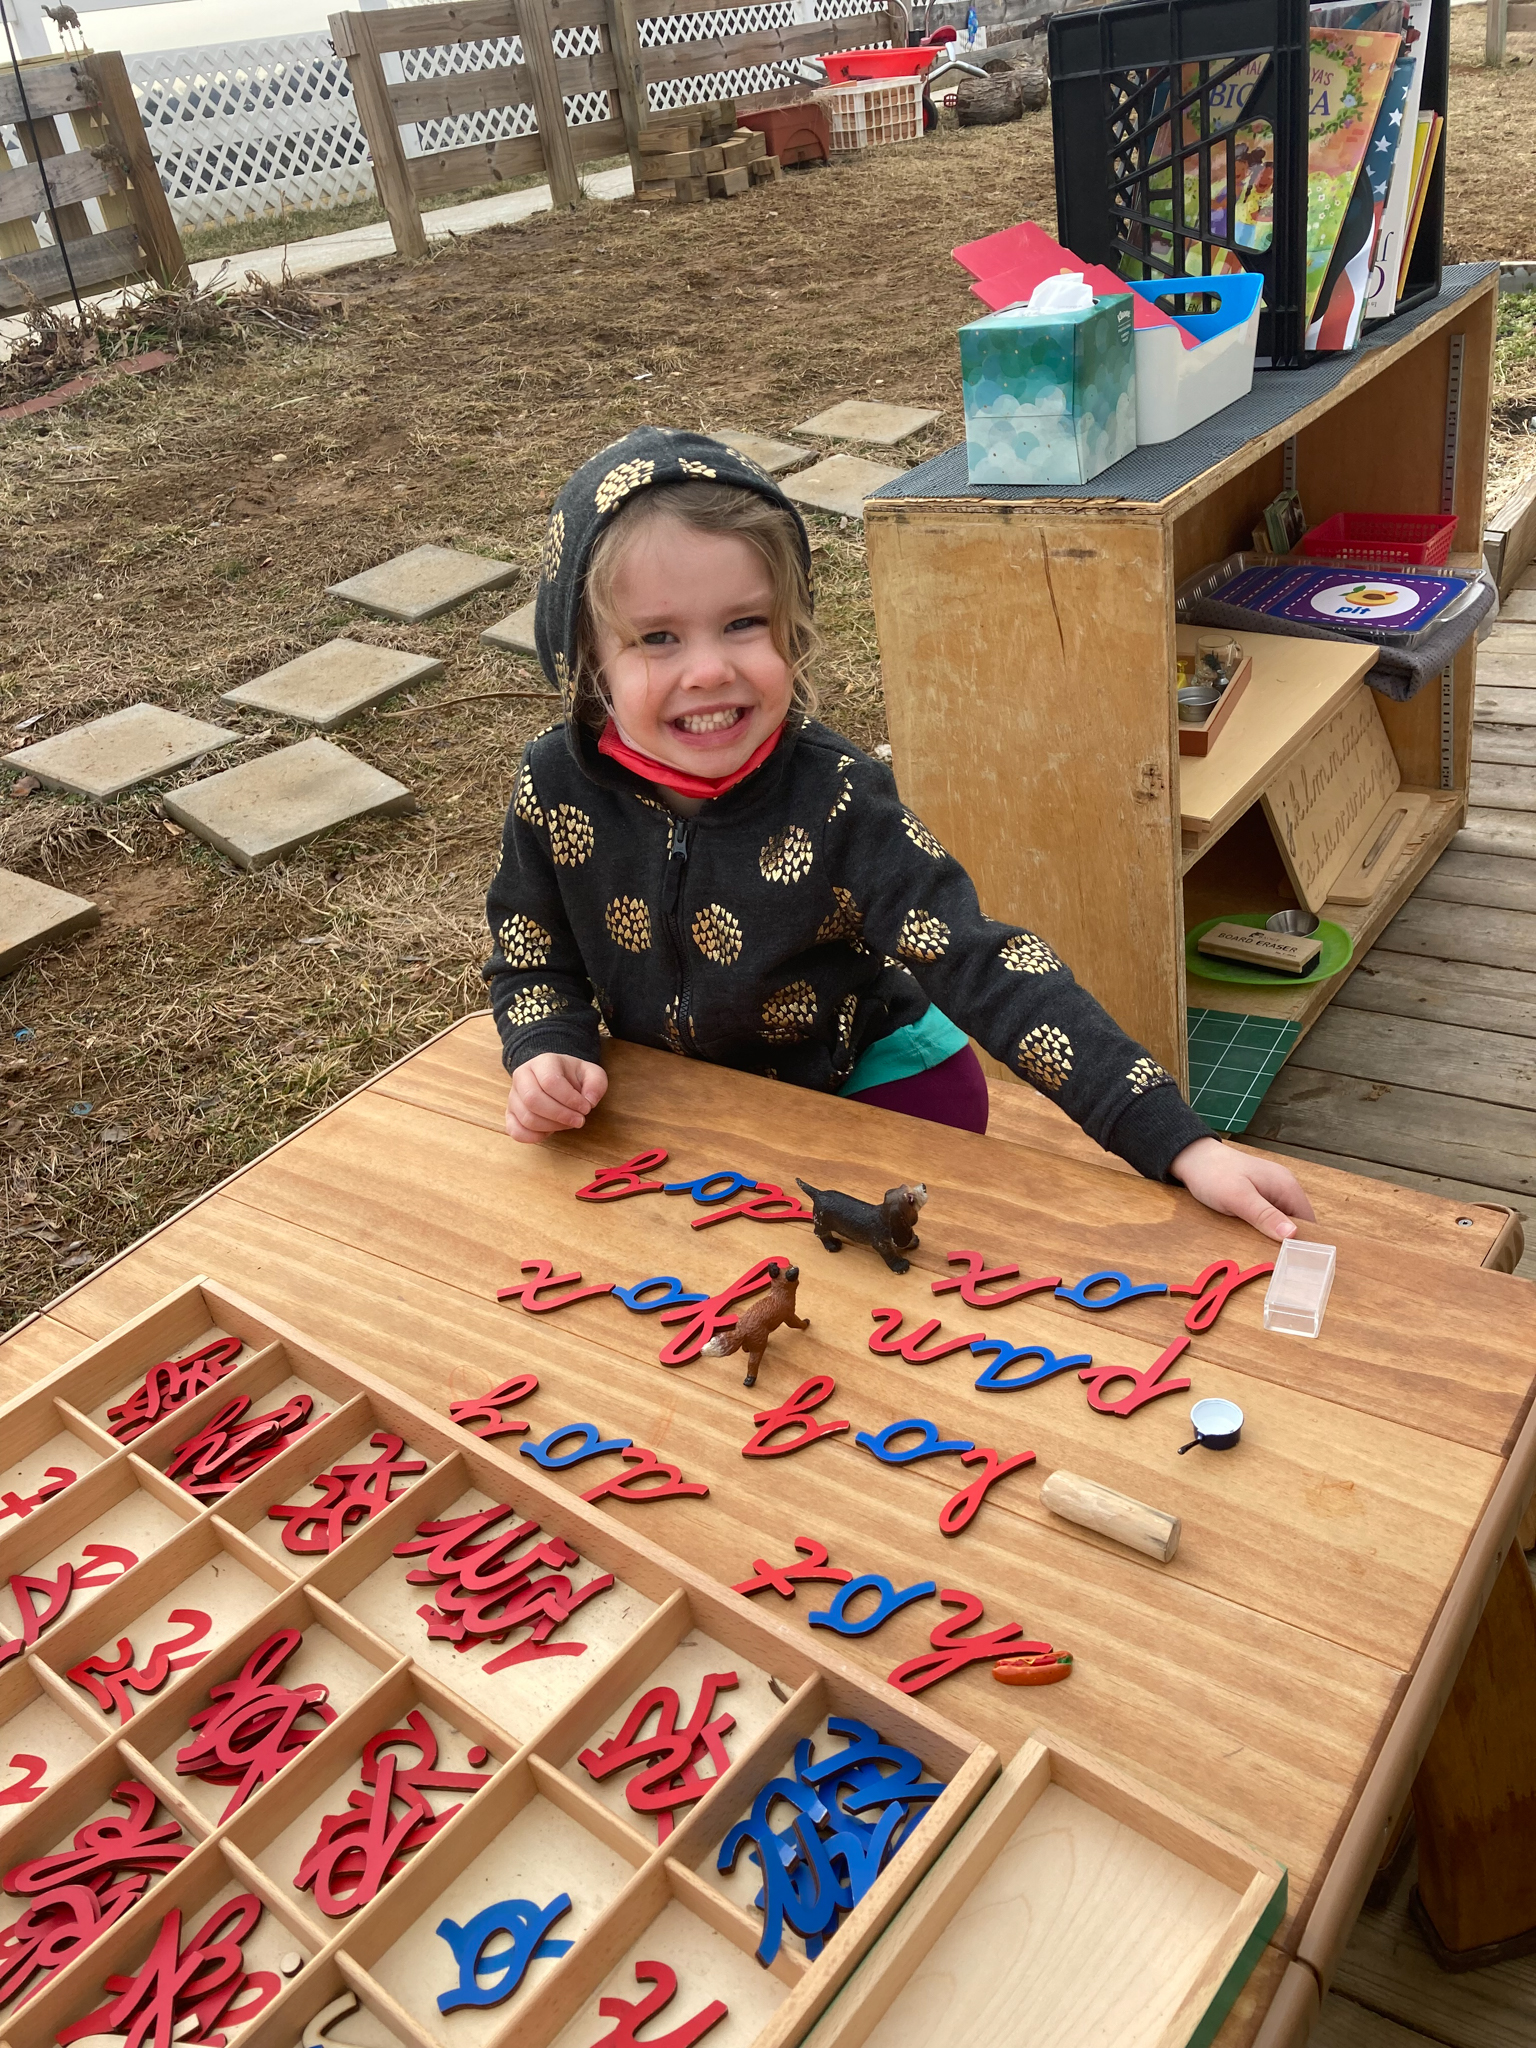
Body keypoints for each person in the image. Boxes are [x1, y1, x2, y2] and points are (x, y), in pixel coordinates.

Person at [484, 427, 1313, 1244]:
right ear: (588, 659)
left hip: (878, 1085)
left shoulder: (839, 798)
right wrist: (547, 1044)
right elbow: (530, 950)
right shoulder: (555, 784)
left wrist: (1180, 1142)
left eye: (744, 623)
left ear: (792, 627)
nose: (709, 669)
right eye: (657, 638)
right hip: (687, 1098)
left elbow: (987, 964)